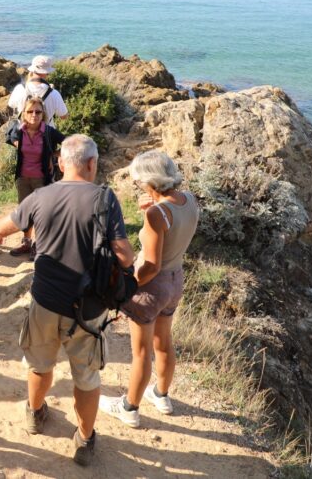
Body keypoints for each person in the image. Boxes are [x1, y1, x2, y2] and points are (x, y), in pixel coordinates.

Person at [0, 134, 134, 467]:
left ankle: (34, 414)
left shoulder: (41, 196)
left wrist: (30, 233)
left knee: (40, 365)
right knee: (86, 378)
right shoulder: (105, 199)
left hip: (44, 300)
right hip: (88, 307)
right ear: (92, 163)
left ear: (59, 163)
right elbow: (123, 254)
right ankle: (84, 441)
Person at [98, 151, 199, 428]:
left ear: (150, 182)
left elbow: (152, 264)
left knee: (141, 352)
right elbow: (174, 231)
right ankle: (161, 395)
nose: (139, 185)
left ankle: (129, 407)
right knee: (163, 342)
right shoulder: (189, 200)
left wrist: (125, 287)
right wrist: (151, 210)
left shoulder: (157, 214)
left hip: (152, 286)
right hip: (176, 280)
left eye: (140, 181)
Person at [4, 96, 66, 258]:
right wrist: (16, 143)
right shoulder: (20, 131)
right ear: (24, 113)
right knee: (25, 211)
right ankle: (26, 242)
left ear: (43, 113)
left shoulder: (48, 132)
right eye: (30, 111)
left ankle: (39, 246)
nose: (34, 114)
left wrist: (53, 155)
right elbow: (8, 136)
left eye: (38, 111)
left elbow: (69, 142)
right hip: (23, 179)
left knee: (41, 213)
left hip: (41, 179)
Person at [8, 55, 68, 125]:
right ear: (47, 72)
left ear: (32, 70)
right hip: (46, 133)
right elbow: (64, 116)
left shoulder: (20, 89)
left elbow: (11, 105)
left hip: (23, 133)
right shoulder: (54, 93)